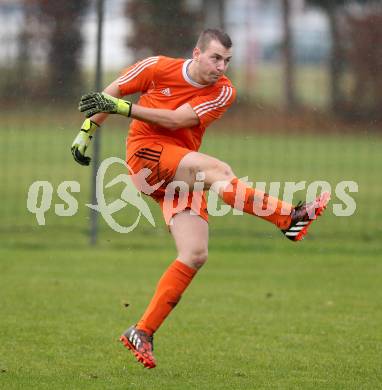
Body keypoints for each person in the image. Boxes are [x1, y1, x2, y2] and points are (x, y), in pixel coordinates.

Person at [71, 29, 330, 369]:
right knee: (220, 172)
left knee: (194, 254)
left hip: (178, 171)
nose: (221, 66)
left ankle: (142, 331)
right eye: (215, 58)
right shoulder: (157, 67)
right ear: (196, 53)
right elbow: (111, 93)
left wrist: (123, 109)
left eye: (227, 60)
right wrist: (86, 132)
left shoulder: (223, 92)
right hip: (146, 158)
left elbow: (179, 119)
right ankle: (289, 218)